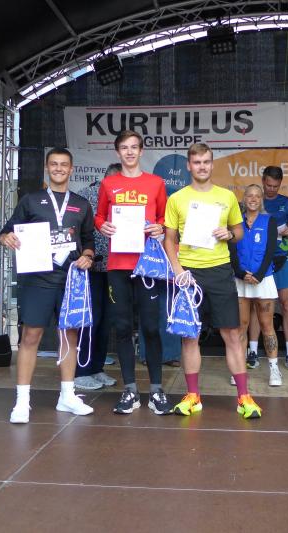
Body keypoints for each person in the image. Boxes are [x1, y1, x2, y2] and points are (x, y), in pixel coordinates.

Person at [164, 143, 263, 419]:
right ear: (189, 165)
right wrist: (178, 270)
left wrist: (228, 234)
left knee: (232, 334)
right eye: (197, 162)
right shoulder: (177, 198)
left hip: (220, 271)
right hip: (189, 274)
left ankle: (244, 398)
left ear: (212, 164)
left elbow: (239, 232)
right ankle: (193, 396)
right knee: (190, 336)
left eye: (206, 162)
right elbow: (169, 240)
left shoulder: (226, 196)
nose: (202, 167)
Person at [0, 147, 95, 423]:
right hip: (37, 278)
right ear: (47, 168)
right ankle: (22, 401)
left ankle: (67, 396)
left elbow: (88, 240)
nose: (59, 168)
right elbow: (6, 231)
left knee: (69, 337)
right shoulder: (31, 200)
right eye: (54, 164)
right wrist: (6, 237)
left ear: (71, 169)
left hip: (71, 279)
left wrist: (88, 256)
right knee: (30, 336)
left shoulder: (81, 203)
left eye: (64, 164)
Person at [96, 130, 171, 415]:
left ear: (141, 151)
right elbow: (99, 216)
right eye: (124, 148)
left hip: (147, 265)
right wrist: (102, 225)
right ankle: (130, 390)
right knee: (123, 328)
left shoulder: (156, 183)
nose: (129, 152)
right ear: (118, 152)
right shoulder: (108, 184)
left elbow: (164, 217)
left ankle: (156, 390)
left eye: (134, 147)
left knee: (151, 327)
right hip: (117, 266)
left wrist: (160, 227)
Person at [246, 166, 288, 370]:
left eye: (275, 186)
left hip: (282, 258)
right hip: (259, 261)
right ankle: (252, 351)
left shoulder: (287, 203)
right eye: (268, 185)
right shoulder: (255, 201)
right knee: (256, 305)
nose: (271, 189)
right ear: (263, 181)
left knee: (286, 304)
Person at [73, 163, 120, 390]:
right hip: (89, 269)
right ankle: (81, 371)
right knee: (89, 320)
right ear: (105, 180)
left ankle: (97, 368)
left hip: (115, 268)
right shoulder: (84, 197)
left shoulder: (128, 199)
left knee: (105, 322)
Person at [229, 184, 282, 386]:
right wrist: (240, 273)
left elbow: (271, 250)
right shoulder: (235, 222)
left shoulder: (269, 221)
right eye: (249, 195)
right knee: (240, 327)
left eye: (257, 196)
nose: (253, 199)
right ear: (244, 198)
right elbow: (232, 250)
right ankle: (239, 370)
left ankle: (274, 369)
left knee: (267, 326)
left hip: (263, 278)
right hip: (241, 279)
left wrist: (259, 275)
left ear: (261, 200)